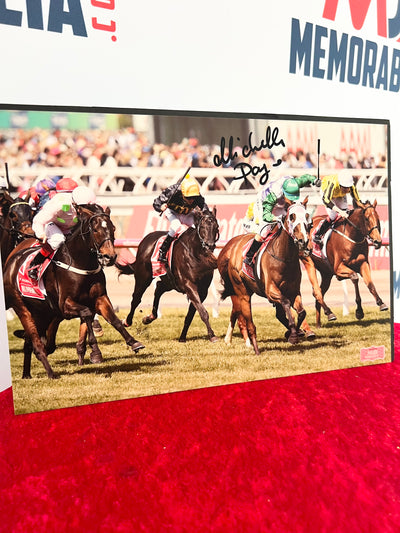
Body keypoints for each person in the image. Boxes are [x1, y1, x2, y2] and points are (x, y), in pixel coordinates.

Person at [243, 174, 319, 267]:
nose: (292, 200)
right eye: (290, 197)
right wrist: (275, 218)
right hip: (264, 203)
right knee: (264, 231)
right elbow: (266, 215)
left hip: (280, 203)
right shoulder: (274, 194)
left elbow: (306, 178)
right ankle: (249, 256)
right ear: (284, 192)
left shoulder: (294, 183)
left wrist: (315, 180)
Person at [28, 179, 96, 280]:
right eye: (82, 207)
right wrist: (40, 233)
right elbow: (38, 220)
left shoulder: (86, 197)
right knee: (58, 240)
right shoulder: (61, 204)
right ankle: (35, 264)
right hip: (52, 224)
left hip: (70, 227)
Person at [153, 172, 209, 262]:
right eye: (188, 197)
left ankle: (199, 252)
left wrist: (205, 214)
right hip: (172, 211)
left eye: (194, 197)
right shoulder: (172, 191)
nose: (191, 200)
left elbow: (204, 207)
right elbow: (157, 202)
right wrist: (160, 207)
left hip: (187, 213)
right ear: (182, 193)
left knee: (195, 229)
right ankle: (163, 250)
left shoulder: (197, 196)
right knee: (176, 226)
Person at [313, 171, 361, 246]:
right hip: (327, 194)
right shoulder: (333, 184)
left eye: (347, 188)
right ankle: (318, 234)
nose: (346, 190)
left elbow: (357, 200)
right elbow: (326, 200)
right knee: (333, 216)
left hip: (339, 194)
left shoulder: (351, 186)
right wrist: (339, 211)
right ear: (340, 184)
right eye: (344, 188)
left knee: (346, 214)